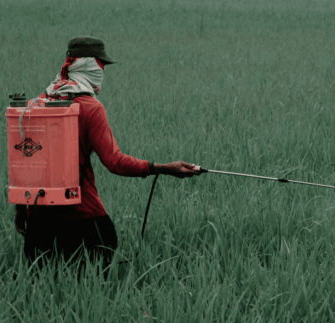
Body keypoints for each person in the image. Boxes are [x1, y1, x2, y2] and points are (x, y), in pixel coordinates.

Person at [14, 36, 200, 268]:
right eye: (101, 64)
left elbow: (24, 162)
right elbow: (115, 162)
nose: (102, 71)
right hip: (83, 216)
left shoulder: (37, 103)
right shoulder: (91, 108)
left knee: (42, 282)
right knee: (95, 280)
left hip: (39, 218)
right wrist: (164, 168)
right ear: (90, 65)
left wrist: (22, 210)